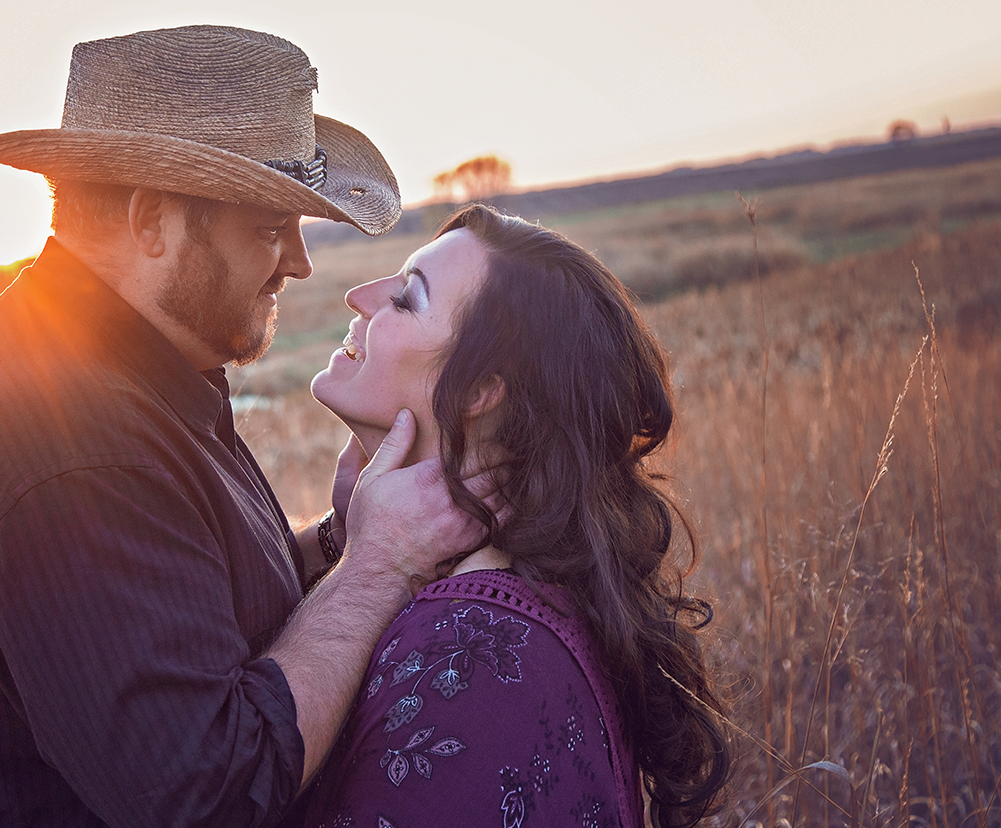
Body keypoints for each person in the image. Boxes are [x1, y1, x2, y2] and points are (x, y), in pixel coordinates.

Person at [0, 25, 483, 828]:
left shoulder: (127, 375)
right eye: (267, 226)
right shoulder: (71, 446)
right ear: (152, 221)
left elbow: (183, 606)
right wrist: (379, 569)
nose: (299, 260)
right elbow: (210, 791)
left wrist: (338, 540)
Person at [298, 204, 731, 828]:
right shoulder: (506, 593)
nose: (360, 296)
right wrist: (349, 541)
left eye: (406, 299)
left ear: (479, 392)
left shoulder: (472, 658)